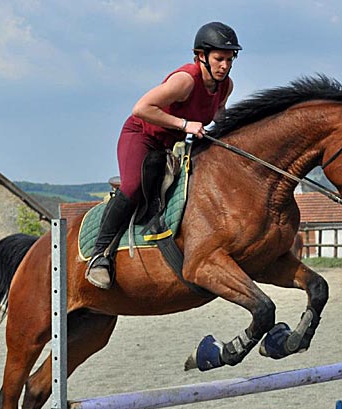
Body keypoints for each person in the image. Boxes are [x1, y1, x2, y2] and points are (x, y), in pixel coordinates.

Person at [86, 21, 241, 289]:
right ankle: (99, 256)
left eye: (229, 59)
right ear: (201, 56)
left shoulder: (225, 86)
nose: (224, 66)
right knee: (133, 187)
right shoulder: (184, 81)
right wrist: (185, 124)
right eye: (219, 59)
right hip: (142, 135)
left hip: (172, 144)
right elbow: (140, 108)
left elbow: (218, 114)